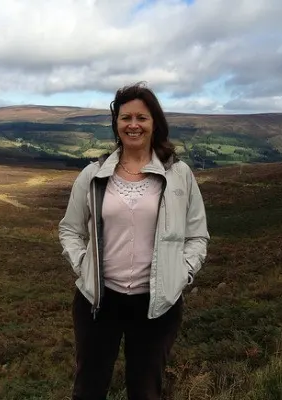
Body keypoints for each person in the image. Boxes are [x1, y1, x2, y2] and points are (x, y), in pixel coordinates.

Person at [58, 82, 209, 400]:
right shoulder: (93, 174)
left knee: (145, 391)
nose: (133, 124)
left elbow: (197, 235)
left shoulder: (179, 175)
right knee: (88, 389)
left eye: (142, 117)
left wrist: (182, 274)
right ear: (116, 124)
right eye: (126, 117)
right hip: (98, 302)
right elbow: (70, 229)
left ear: (155, 123)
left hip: (157, 305)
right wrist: (83, 265)